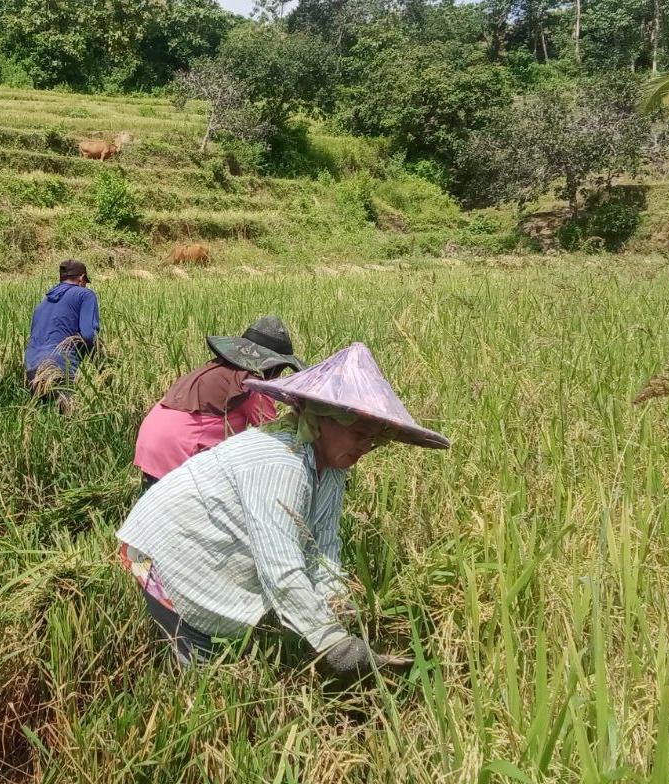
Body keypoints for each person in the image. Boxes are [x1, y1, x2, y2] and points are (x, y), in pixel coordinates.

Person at [116, 342, 450, 683]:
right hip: (163, 552)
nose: (365, 446)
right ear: (320, 418)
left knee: (243, 652)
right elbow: (281, 566)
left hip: (208, 548)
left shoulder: (332, 469)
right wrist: (334, 644)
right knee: (199, 672)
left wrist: (338, 610)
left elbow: (323, 546)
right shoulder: (280, 462)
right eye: (359, 433)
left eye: (376, 440)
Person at [133, 316, 303, 490]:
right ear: (273, 366)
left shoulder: (213, 369)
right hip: (178, 449)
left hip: (151, 441)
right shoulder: (251, 385)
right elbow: (273, 436)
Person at [24, 259, 99, 410]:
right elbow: (88, 334)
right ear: (81, 278)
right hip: (59, 365)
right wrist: (99, 362)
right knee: (67, 421)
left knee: (41, 420)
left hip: (31, 366)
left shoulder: (44, 301)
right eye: (85, 282)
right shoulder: (85, 295)